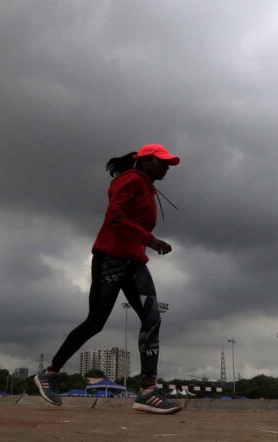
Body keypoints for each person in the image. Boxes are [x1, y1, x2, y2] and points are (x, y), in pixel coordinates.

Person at [33, 143, 182, 414]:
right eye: (162, 162)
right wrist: (150, 239)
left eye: (169, 164)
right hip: (110, 259)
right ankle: (50, 373)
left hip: (134, 262)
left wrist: (145, 243)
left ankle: (148, 391)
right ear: (144, 160)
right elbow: (114, 217)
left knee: (152, 319)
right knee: (95, 323)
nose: (166, 168)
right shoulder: (129, 180)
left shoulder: (146, 184)